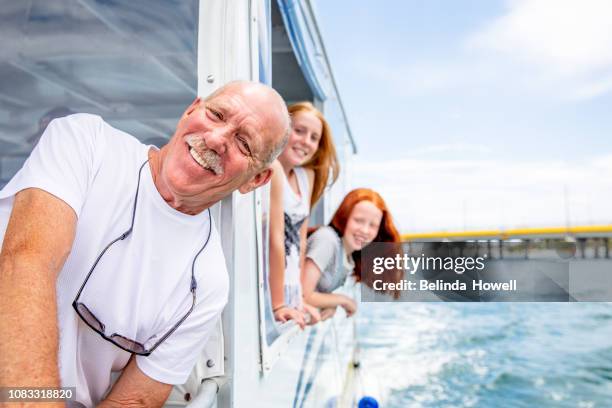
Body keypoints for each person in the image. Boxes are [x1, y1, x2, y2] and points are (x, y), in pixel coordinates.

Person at [0, 80, 290, 407]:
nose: (215, 139)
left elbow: (135, 400)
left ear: (255, 180)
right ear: (191, 109)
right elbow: (27, 262)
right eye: (216, 114)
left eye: (243, 143)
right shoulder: (84, 141)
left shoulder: (208, 283)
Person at [268, 102, 339, 328]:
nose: (305, 141)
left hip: (289, 286)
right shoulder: (274, 169)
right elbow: (275, 240)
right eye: (299, 131)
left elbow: (299, 241)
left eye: (314, 137)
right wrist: (279, 305)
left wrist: (298, 300)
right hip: (269, 286)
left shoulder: (305, 177)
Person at [302, 188, 402, 320]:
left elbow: (313, 292)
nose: (365, 230)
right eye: (359, 220)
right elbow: (303, 295)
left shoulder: (348, 256)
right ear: (344, 217)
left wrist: (330, 303)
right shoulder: (327, 240)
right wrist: (343, 300)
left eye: (373, 225)